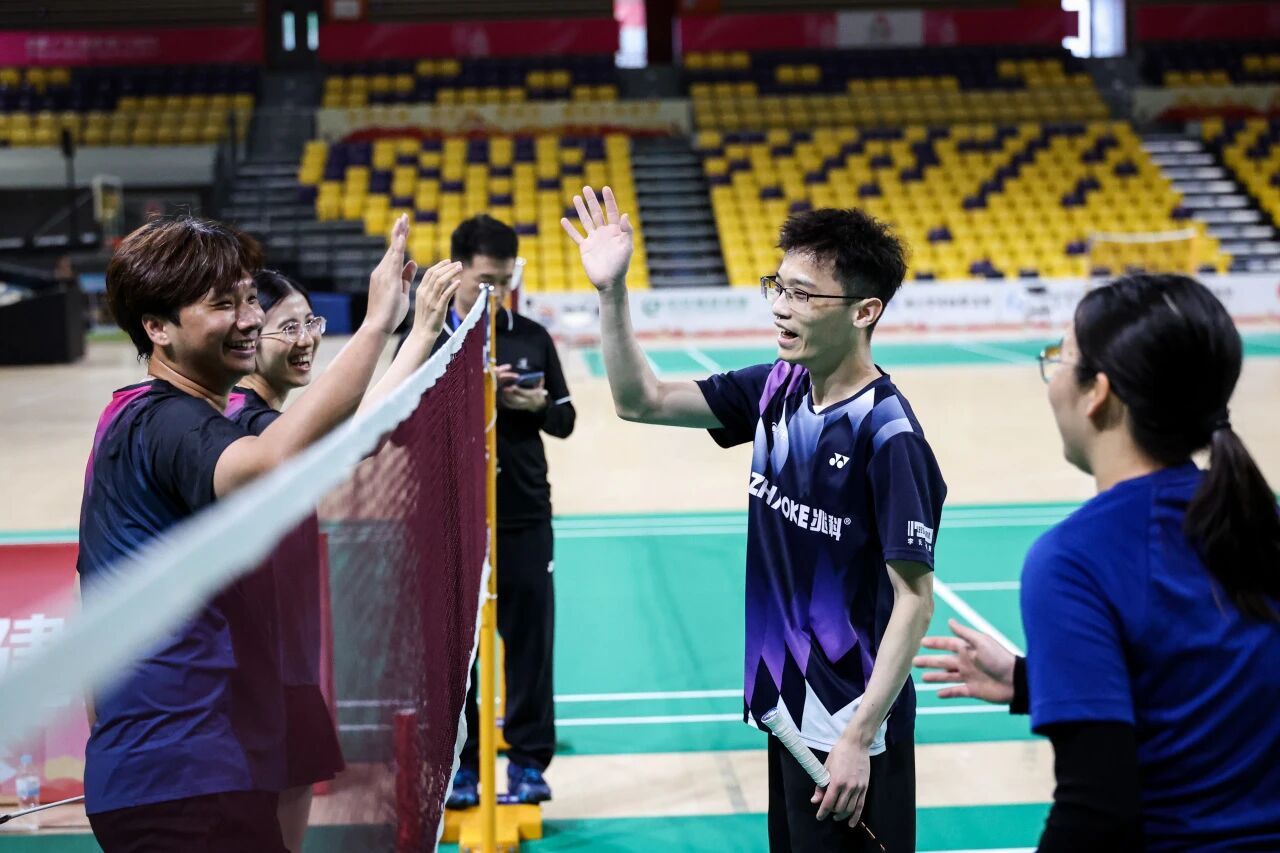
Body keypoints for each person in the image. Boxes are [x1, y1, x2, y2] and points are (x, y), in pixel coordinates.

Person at [561, 187, 944, 852]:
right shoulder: (777, 388)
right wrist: (612, 292)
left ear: (865, 311)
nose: (780, 306)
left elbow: (915, 599)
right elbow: (640, 400)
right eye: (778, 286)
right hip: (785, 708)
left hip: (849, 732)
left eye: (803, 294)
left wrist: (857, 739)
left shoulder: (889, 436)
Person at [77, 214, 416, 851]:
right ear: (157, 328)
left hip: (180, 768)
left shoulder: (132, 416)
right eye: (221, 305)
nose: (249, 320)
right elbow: (267, 464)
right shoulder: (167, 424)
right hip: (182, 780)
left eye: (249, 299)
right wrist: (376, 325)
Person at [913, 274, 1280, 851]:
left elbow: (1097, 811)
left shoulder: (1073, 560)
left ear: (1098, 393)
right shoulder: (1256, 517)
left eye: (1061, 358)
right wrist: (1036, 681)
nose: (1053, 376)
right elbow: (1202, 682)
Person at [228, 262, 459, 851]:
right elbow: (362, 435)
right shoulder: (243, 427)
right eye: (288, 327)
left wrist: (419, 332)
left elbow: (359, 427)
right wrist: (414, 330)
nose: (307, 338)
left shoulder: (273, 421)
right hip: (247, 680)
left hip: (288, 663)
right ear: (246, 333)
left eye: (311, 322)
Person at [428, 215, 576, 807]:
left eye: (506, 279)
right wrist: (475, 392)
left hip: (523, 513)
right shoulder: (427, 340)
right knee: (457, 649)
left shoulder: (531, 335)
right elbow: (403, 425)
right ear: (458, 270)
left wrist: (536, 404)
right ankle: (462, 766)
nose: (496, 290)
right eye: (486, 279)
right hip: (449, 519)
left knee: (531, 642)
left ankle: (529, 762)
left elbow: (564, 420)